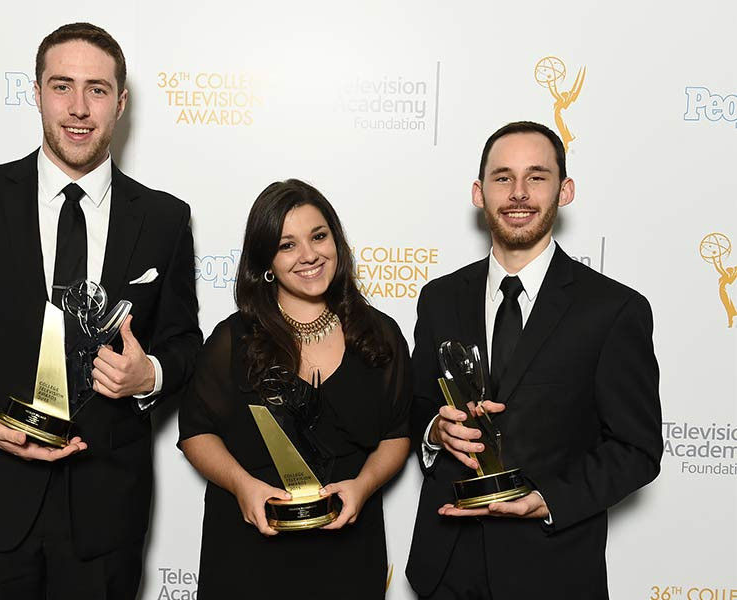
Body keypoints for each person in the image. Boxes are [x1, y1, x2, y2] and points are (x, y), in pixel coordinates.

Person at [0, 23, 201, 600]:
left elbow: (184, 342)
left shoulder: (164, 219)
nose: (79, 108)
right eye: (62, 86)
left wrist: (149, 375)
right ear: (36, 93)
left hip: (104, 515)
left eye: (97, 89)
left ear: (121, 102)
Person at [405, 121, 663, 600]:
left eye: (536, 177)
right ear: (479, 193)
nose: (518, 193)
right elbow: (418, 405)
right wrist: (435, 432)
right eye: (503, 177)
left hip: (554, 571)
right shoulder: (439, 298)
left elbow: (637, 449)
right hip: (446, 568)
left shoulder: (613, 310)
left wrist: (546, 500)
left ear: (564, 191)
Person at [179, 179, 411, 599]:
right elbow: (196, 432)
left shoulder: (380, 335)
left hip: (348, 555)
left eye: (318, 236)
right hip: (248, 555)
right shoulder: (234, 339)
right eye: (287, 245)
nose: (309, 255)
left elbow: (397, 434)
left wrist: (363, 485)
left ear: (336, 241)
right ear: (266, 260)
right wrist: (241, 485)